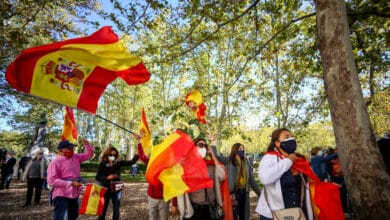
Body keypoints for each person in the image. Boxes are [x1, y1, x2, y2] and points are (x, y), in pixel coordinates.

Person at [255, 128, 314, 220]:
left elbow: (311, 183)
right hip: (274, 214)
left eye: (292, 137)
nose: (291, 139)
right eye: (286, 137)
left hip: (297, 213)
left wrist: (328, 187)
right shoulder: (269, 158)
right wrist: (288, 161)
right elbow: (264, 179)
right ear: (277, 143)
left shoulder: (300, 160)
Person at [211, 141, 261, 220]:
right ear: (235, 150)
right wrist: (213, 144)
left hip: (244, 193)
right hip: (233, 194)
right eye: (240, 149)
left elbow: (251, 179)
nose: (242, 150)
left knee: (243, 215)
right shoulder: (228, 160)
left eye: (243, 149)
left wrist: (260, 193)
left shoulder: (246, 162)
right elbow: (217, 157)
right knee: (233, 215)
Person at [47, 139, 94, 220]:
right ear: (61, 150)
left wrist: (87, 145)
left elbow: (89, 155)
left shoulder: (76, 157)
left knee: (74, 217)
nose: (71, 150)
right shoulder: (55, 162)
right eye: (69, 148)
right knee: (60, 218)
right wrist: (70, 183)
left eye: (72, 148)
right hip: (61, 195)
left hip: (74, 194)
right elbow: (51, 180)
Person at [184, 137, 226, 220]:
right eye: (200, 145)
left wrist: (213, 156)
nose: (203, 148)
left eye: (205, 146)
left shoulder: (210, 165)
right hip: (195, 209)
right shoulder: (187, 166)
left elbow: (222, 176)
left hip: (210, 207)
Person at [95, 145, 139, 220]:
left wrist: (138, 150)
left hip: (117, 187)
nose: (113, 156)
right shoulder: (103, 164)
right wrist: (107, 178)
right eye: (111, 155)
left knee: (116, 207)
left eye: (114, 155)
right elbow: (97, 177)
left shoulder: (118, 162)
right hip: (106, 188)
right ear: (107, 154)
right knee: (103, 207)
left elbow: (132, 161)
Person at [136, 135, 172, 220]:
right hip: (152, 197)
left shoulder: (169, 166)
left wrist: (174, 203)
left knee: (164, 218)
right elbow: (143, 157)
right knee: (152, 217)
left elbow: (172, 185)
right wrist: (139, 142)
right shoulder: (152, 163)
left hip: (164, 198)